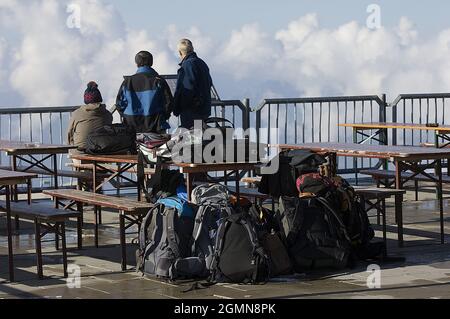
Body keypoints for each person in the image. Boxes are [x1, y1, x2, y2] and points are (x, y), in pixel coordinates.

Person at [116, 51, 173, 133]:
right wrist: (163, 117)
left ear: (137, 63)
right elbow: (169, 103)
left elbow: (119, 104)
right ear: (151, 62)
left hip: (131, 127)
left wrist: (126, 117)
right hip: (156, 127)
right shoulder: (159, 81)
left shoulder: (127, 82)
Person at [174, 39, 213, 129]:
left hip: (191, 111)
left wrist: (177, 107)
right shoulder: (202, 63)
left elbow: (187, 90)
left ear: (180, 52)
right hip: (203, 109)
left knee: (191, 139)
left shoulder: (187, 65)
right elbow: (209, 83)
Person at [67, 81, 113, 153]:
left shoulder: (76, 114)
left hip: (81, 152)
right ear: (99, 98)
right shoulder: (108, 114)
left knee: (73, 149)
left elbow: (69, 135)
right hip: (102, 152)